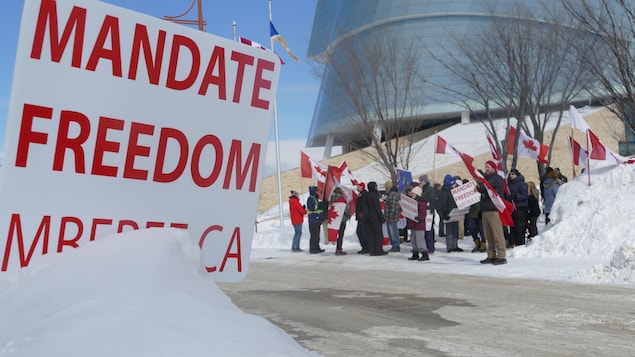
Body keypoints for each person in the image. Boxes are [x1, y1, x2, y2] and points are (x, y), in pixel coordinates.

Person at [478, 160, 507, 265]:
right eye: (486, 167)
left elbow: (497, 193)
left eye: (488, 167)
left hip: (494, 209)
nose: (486, 169)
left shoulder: (498, 179)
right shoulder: (485, 179)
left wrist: (485, 189)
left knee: (497, 233)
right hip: (485, 209)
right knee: (488, 235)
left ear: (494, 168)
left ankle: (501, 255)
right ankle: (491, 255)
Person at [406, 186, 430, 261]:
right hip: (413, 224)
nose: (411, 195)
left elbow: (423, 213)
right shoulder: (412, 202)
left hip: (419, 224)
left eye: (413, 193)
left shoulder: (421, 203)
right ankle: (415, 253)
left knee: (420, 240)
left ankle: (424, 254)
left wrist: (419, 218)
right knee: (413, 239)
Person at [507, 168, 529, 248]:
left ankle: (520, 243)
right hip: (512, 207)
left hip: (520, 207)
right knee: (512, 225)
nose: (511, 176)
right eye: (510, 174)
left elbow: (525, 195)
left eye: (513, 174)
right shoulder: (508, 184)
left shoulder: (521, 184)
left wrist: (516, 196)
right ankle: (513, 241)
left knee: (519, 226)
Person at [440, 174, 462, 252]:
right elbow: (443, 204)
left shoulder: (454, 190)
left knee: (455, 229)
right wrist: (445, 213)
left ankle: (455, 245)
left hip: (455, 212)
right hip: (448, 213)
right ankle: (450, 246)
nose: (454, 185)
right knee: (449, 230)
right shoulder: (445, 192)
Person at [366, 181, 388, 256]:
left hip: (368, 218)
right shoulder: (374, 196)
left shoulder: (366, 195)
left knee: (371, 234)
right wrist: (382, 217)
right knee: (378, 234)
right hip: (375, 217)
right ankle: (378, 250)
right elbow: (377, 208)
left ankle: (372, 250)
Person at [329, 187, 350, 256]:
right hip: (342, 220)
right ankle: (339, 249)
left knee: (336, 234)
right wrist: (348, 215)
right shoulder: (342, 200)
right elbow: (346, 210)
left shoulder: (331, 200)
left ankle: (337, 248)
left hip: (334, 220)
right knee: (340, 235)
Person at [419, 175, 437, 254]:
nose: (420, 182)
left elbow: (432, 200)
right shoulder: (422, 189)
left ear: (425, 181)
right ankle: (427, 246)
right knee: (426, 230)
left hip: (429, 212)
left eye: (421, 181)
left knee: (429, 230)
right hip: (424, 211)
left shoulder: (430, 189)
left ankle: (430, 247)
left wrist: (431, 208)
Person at [306, 185, 325, 254]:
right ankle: (313, 249)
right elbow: (313, 208)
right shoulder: (311, 199)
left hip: (317, 220)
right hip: (313, 220)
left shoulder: (314, 198)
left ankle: (317, 247)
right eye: (316, 191)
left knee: (317, 235)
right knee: (314, 235)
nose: (317, 192)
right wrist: (320, 205)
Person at [384, 180, 402, 252]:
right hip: (390, 217)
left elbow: (393, 206)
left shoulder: (392, 195)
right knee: (391, 231)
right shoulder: (391, 194)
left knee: (393, 231)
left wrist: (390, 216)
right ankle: (394, 245)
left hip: (392, 217)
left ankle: (396, 245)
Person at [355, 182, 370, 254]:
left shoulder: (364, 195)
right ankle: (364, 247)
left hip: (363, 217)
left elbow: (364, 205)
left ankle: (366, 247)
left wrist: (362, 213)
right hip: (360, 216)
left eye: (358, 186)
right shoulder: (360, 195)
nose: (357, 188)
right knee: (360, 232)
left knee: (363, 232)